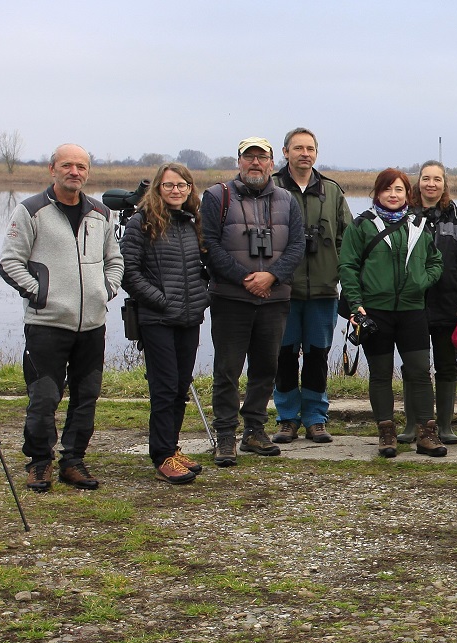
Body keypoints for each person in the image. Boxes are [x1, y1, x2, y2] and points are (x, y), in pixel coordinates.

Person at [0, 143, 124, 491]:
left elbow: (115, 259)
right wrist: (40, 293)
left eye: (81, 167)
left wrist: (106, 290)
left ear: (87, 172)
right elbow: (9, 262)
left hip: (92, 324)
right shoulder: (30, 211)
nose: (75, 172)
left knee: (87, 395)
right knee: (44, 397)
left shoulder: (100, 213)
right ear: (52, 169)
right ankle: (39, 463)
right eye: (67, 165)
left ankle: (74, 461)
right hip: (46, 325)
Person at [201, 138, 306, 466]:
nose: (256, 163)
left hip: (274, 300)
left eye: (262, 157)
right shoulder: (218, 196)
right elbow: (210, 246)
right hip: (231, 299)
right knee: (228, 370)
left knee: (266, 369)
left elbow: (297, 245)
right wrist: (246, 279)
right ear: (239, 162)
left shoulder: (287, 200)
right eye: (250, 158)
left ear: (272, 163)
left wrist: (271, 277)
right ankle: (225, 436)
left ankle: (255, 432)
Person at [339, 169, 445, 457]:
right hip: (375, 312)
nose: (393, 195)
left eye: (399, 189)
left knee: (420, 372)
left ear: (407, 194)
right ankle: (386, 433)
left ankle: (426, 433)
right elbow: (347, 267)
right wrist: (355, 303)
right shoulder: (361, 226)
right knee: (380, 374)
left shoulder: (420, 225)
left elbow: (436, 261)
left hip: (412, 311)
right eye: (387, 189)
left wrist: (423, 281)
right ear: (378, 192)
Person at [120, 162, 210, 484]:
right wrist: (160, 300)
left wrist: (203, 295)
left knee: (180, 387)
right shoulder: (141, 222)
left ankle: (171, 447)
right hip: (157, 319)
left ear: (189, 189)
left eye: (182, 185)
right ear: (158, 188)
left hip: (189, 318)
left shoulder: (191, 222)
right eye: (169, 185)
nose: (176, 191)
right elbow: (129, 272)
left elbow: (203, 268)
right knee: (165, 387)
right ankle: (161, 456)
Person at [271, 128, 347, 445]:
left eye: (310, 148)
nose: (305, 153)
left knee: (317, 356)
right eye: (298, 148)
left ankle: (316, 418)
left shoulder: (332, 191)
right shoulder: (271, 188)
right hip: (282, 293)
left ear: (316, 153)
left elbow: (348, 241)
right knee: (284, 356)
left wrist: (342, 278)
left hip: (323, 292)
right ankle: (287, 418)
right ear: (285, 152)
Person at [407, 160, 457, 444]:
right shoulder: (405, 216)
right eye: (426, 178)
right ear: (418, 183)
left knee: (447, 366)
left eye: (437, 179)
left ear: (444, 184)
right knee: (414, 366)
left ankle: (444, 426)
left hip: (449, 305)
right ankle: (414, 425)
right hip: (412, 305)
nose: (431, 184)